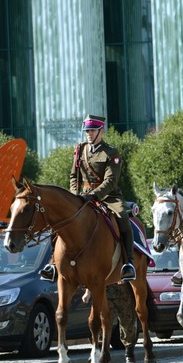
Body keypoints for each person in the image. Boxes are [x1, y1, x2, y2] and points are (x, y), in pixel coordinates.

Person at [41, 115, 135, 282]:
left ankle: (128, 263)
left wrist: (94, 194)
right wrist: (73, 195)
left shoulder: (111, 152)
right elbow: (73, 176)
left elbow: (111, 181)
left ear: (101, 131)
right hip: (82, 196)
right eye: (87, 131)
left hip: (108, 197)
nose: (89, 134)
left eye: (92, 130)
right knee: (57, 222)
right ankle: (52, 264)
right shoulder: (80, 150)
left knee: (123, 217)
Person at [82, 282, 138, 363]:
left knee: (127, 321)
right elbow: (93, 275)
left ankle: (129, 354)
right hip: (105, 293)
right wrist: (88, 292)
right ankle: (101, 354)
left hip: (122, 291)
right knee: (103, 323)